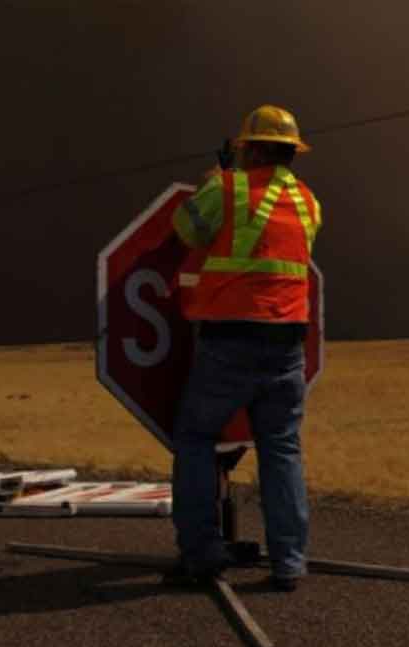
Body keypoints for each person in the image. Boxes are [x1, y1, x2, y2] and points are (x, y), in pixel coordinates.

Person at [167, 104, 322, 592]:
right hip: (288, 345)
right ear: (292, 153)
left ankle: (201, 553)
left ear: (251, 147)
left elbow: (187, 229)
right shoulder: (309, 202)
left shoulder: (228, 187)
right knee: (282, 449)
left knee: (194, 438)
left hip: (230, 341)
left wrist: (217, 178)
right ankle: (289, 562)